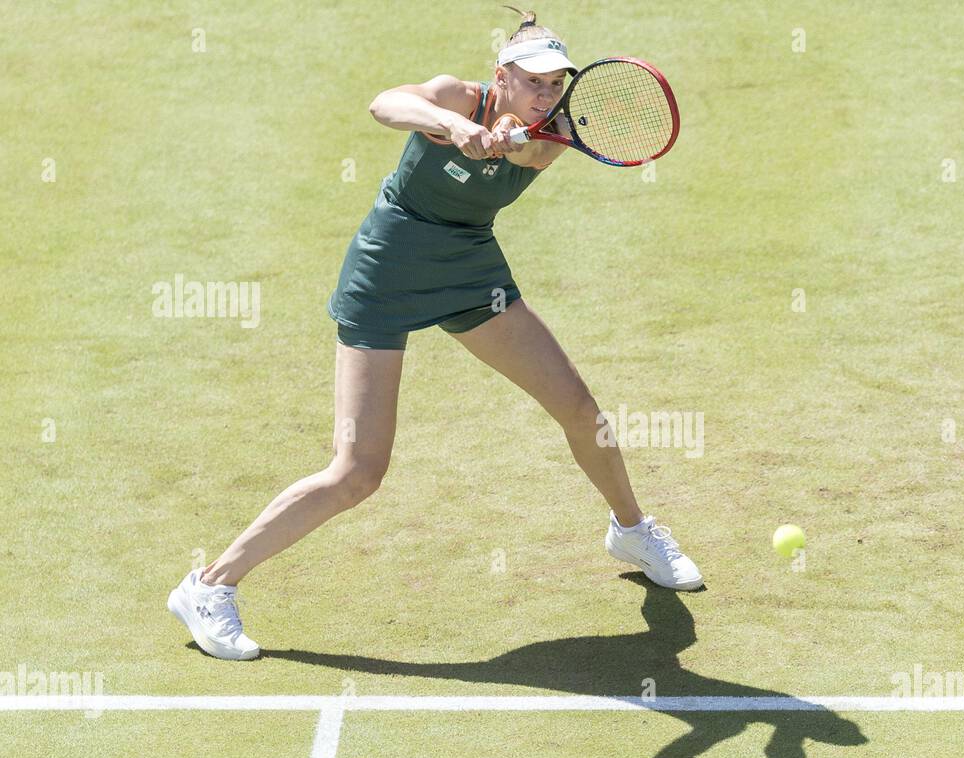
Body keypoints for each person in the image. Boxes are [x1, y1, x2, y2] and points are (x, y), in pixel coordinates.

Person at [168, 9, 703, 662]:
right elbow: (385, 104)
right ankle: (209, 586)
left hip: (470, 270)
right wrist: (452, 125)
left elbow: (527, 148)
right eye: (533, 81)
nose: (547, 93)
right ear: (500, 75)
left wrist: (507, 138)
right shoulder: (454, 93)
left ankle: (631, 529)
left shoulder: (554, 135)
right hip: (386, 270)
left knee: (579, 411)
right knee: (358, 472)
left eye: (556, 84)